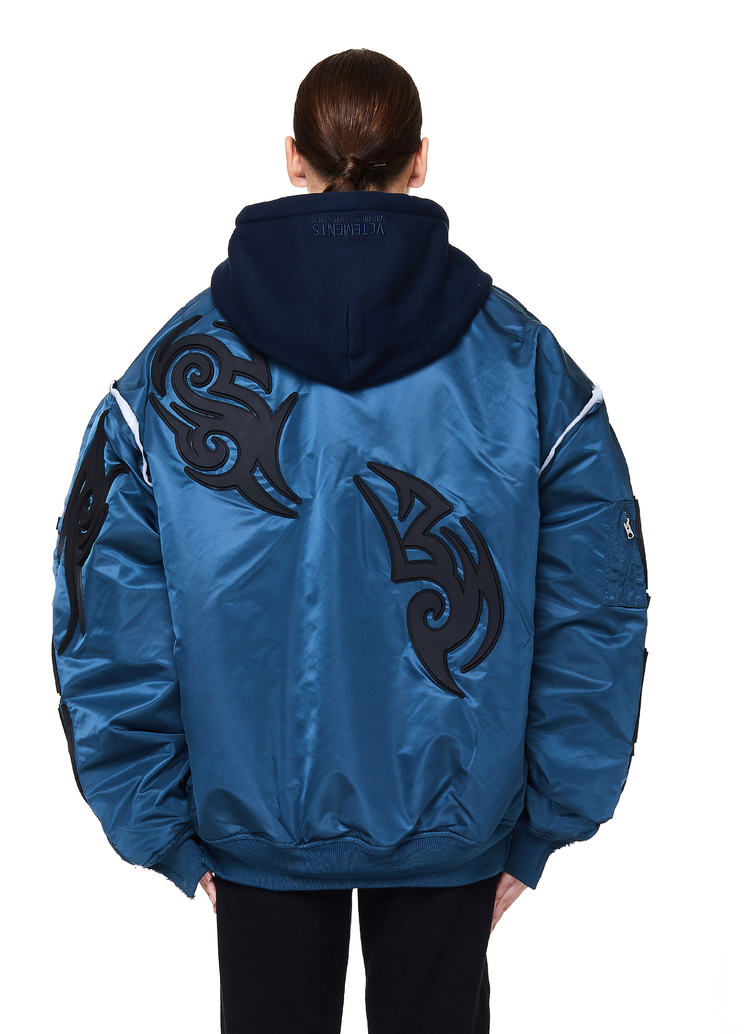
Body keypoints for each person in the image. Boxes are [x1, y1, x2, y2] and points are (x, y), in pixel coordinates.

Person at [52, 48, 649, 1034]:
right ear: (421, 160)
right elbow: (596, 600)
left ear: (293, 158)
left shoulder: (167, 377)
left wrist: (161, 823)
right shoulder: (524, 367)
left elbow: (105, 614)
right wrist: (550, 815)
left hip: (255, 821)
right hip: (458, 818)